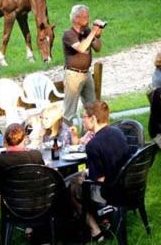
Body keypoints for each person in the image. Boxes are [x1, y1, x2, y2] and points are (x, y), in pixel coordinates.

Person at [67, 101, 129, 240]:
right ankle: (102, 222)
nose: (82, 120)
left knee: (71, 187)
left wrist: (83, 179)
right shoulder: (117, 132)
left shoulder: (93, 145)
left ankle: (95, 230)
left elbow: (98, 180)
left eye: (84, 117)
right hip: (127, 184)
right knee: (79, 177)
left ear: (93, 119)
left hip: (110, 192)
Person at [0, 123, 44, 215]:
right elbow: (43, 177)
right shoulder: (36, 155)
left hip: (11, 207)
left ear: (5, 140)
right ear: (24, 138)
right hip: (39, 204)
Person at [62, 4, 103, 123]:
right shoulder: (68, 34)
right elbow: (81, 47)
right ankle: (67, 137)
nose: (88, 20)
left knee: (92, 108)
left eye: (88, 16)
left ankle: (89, 136)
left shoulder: (87, 32)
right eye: (84, 17)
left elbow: (97, 48)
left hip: (86, 74)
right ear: (76, 18)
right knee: (70, 111)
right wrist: (92, 33)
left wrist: (97, 35)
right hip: (73, 75)